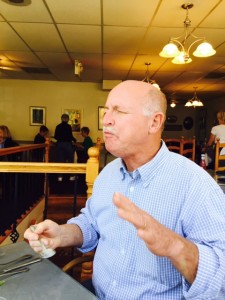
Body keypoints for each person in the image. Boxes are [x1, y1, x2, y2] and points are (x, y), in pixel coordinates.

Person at [24, 81, 225, 299]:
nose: (106, 119)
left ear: (154, 122)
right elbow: (91, 223)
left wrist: (173, 246)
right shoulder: (107, 174)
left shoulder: (196, 185)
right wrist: (62, 234)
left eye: (119, 111)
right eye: (107, 110)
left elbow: (221, 279)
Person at [54, 114, 77, 181]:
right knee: (70, 160)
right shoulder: (68, 126)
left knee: (60, 160)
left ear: (61, 119)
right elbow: (70, 136)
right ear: (67, 119)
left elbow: (56, 137)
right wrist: (74, 139)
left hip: (60, 144)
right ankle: (71, 176)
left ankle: (60, 177)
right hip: (67, 144)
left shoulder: (58, 126)